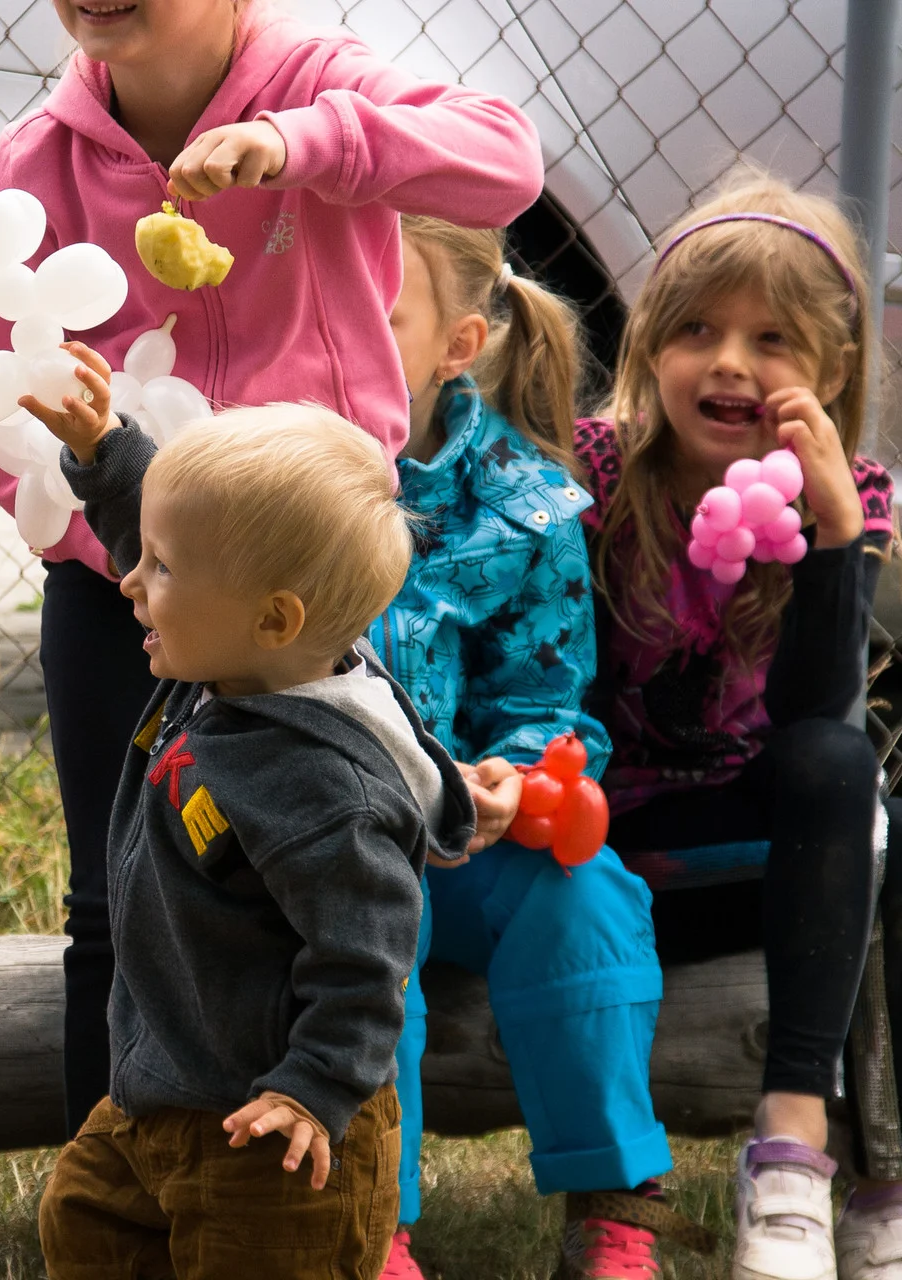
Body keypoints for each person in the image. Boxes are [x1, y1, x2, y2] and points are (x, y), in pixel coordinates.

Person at [0, 0, 544, 1135]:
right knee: (116, 898)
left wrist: (305, 144)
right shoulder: (43, 156)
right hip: (123, 582)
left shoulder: (315, 79)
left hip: (297, 587)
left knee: (313, 875)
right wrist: (118, 545)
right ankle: (114, 1190)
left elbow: (504, 164)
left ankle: (311, 1166)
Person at [27, 380, 473, 1278]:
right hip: (166, 1084)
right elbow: (186, 534)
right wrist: (109, 450)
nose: (129, 581)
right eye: (143, 557)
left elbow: (367, 961)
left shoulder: (324, 789)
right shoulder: (238, 658)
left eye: (158, 571)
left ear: (274, 618)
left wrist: (316, 1089)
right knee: (83, 1223)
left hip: (275, 1130)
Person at [573, 174, 892, 1280]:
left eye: (771, 339)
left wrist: (833, 536)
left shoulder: (853, 496)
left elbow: (814, 722)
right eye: (697, 330)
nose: (730, 363)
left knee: (841, 762)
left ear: (832, 370)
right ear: (650, 344)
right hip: (598, 859)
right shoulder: (595, 477)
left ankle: (797, 1150)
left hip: (754, 868)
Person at [380, 218, 693, 1280]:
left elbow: (545, 691)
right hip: (338, 836)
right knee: (359, 925)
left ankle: (611, 1205)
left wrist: (518, 770)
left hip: (477, 828)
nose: (341, 330)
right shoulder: (290, 478)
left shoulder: (523, 501)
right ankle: (371, 1218)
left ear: (454, 345)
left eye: (377, 314)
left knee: (585, 896)